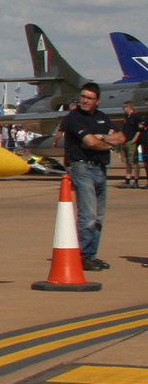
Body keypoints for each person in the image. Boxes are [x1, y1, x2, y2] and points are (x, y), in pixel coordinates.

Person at [60, 82, 124, 270]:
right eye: (83, 97)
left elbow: (120, 138)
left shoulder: (103, 117)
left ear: (97, 100)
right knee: (87, 215)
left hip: (100, 169)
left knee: (98, 217)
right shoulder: (74, 117)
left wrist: (101, 140)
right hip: (82, 168)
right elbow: (89, 142)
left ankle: (91, 254)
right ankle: (82, 255)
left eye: (89, 98)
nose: (85, 101)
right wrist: (103, 141)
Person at [121, 101, 143, 189]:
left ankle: (136, 180)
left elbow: (139, 130)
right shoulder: (127, 117)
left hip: (131, 142)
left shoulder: (137, 116)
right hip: (124, 141)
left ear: (129, 107)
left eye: (124, 107)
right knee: (127, 161)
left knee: (134, 162)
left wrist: (134, 140)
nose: (123, 109)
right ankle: (128, 178)